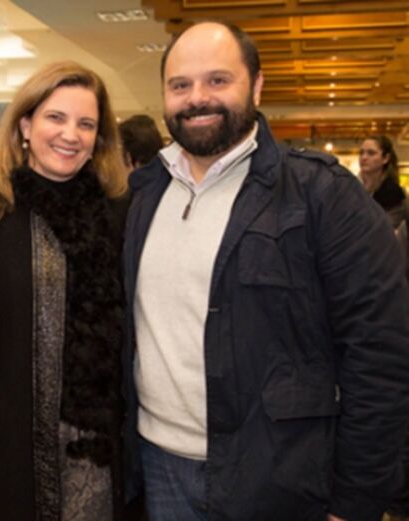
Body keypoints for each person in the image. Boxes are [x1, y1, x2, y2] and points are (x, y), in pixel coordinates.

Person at [122, 21, 409, 521]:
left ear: (256, 86)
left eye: (217, 80)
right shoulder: (143, 195)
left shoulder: (323, 194)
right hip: (159, 468)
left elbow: (379, 353)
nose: (197, 99)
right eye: (180, 85)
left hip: (278, 478)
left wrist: (355, 500)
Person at [0, 61, 129, 521]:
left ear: (99, 138)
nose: (70, 135)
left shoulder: (118, 219)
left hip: (97, 462)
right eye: (55, 118)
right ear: (25, 124)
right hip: (3, 460)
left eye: (86, 124)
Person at [358, 135, 407, 228]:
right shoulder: (353, 189)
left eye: (371, 153)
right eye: (361, 152)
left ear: (386, 158)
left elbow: (384, 229)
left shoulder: (394, 194)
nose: (363, 157)